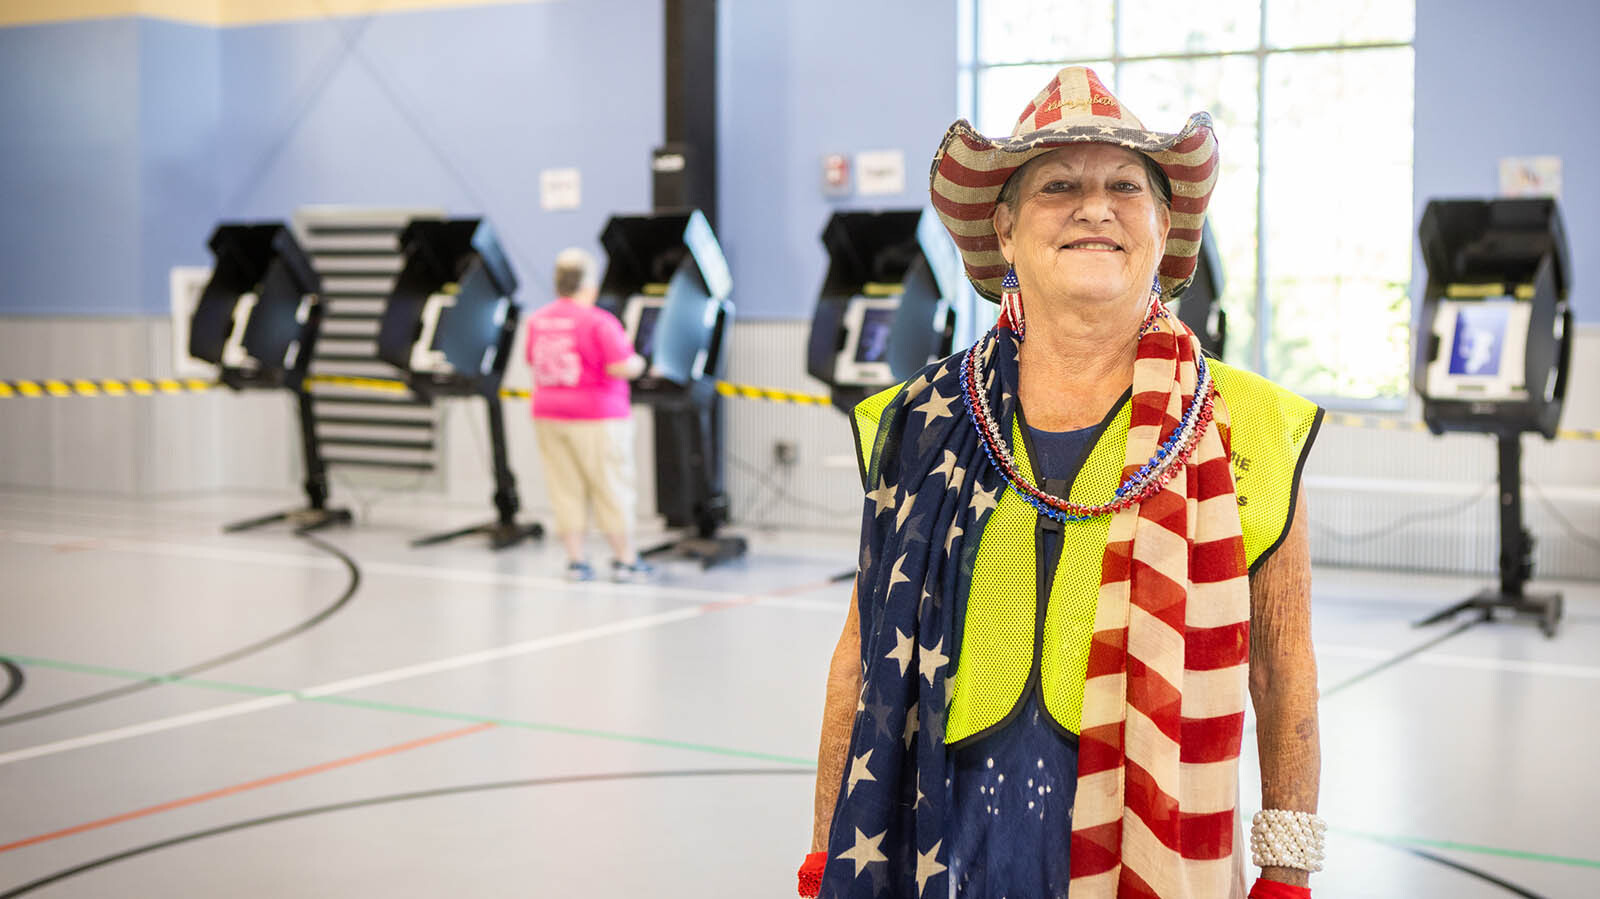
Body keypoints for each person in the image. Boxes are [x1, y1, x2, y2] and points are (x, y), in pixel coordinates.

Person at [800, 68, 1325, 899]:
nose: (1095, 205)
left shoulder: (1248, 424)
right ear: (1003, 231)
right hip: (942, 846)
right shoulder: (915, 420)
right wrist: (829, 846)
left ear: (1162, 228)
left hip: (1156, 853)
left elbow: (1284, 666)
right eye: (1058, 184)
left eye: (1126, 185)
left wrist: (1286, 869)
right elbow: (861, 655)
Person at [525, 247, 652, 582]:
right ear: (588, 285)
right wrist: (641, 362)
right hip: (597, 417)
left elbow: (532, 361)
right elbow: (621, 366)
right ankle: (625, 559)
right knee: (611, 485)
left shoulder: (538, 320)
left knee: (564, 487)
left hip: (549, 414)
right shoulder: (599, 322)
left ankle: (576, 560)